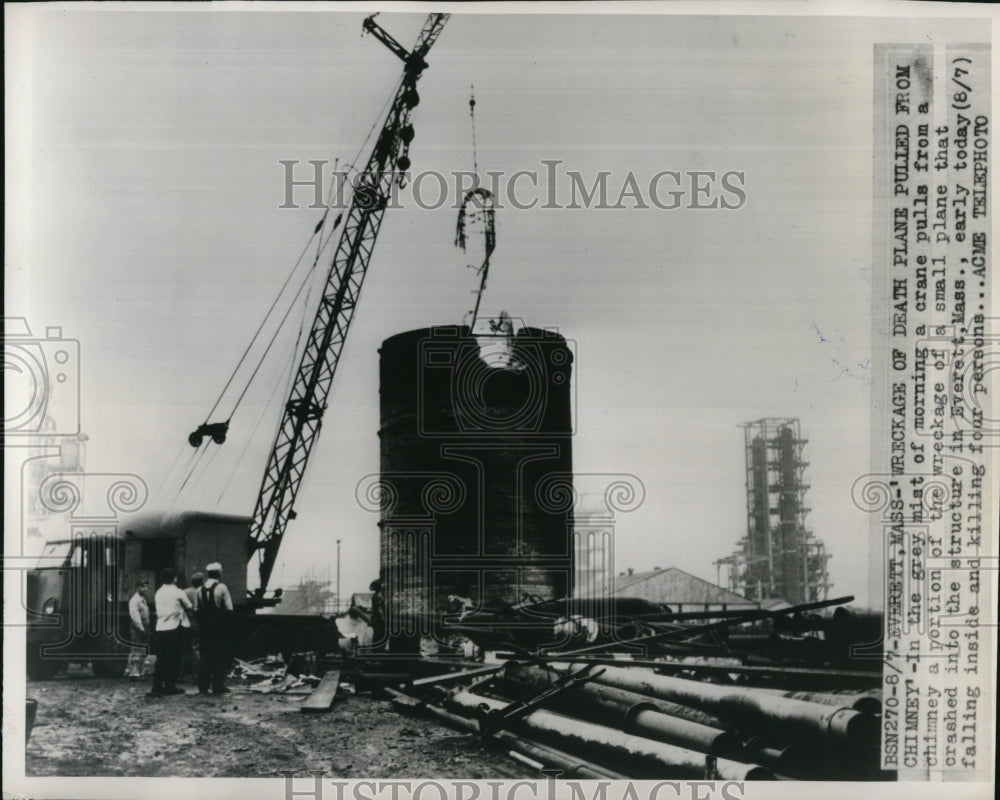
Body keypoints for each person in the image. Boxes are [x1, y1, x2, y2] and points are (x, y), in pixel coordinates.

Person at [150, 567, 192, 697]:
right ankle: (170, 685)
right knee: (174, 657)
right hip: (175, 627)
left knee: (161, 657)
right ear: (175, 579)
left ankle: (156, 685)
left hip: (161, 627)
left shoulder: (158, 592)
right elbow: (189, 606)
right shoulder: (178, 592)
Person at [195, 562, 233, 695]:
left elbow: (197, 610)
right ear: (219, 573)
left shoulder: (200, 589)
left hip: (205, 628)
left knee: (205, 656)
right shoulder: (222, 587)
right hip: (218, 627)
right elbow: (229, 609)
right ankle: (218, 685)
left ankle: (203, 686)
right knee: (218, 656)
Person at [181, 573, 204, 680]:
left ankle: (183, 672)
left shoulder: (185, 592)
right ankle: (197, 674)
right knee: (196, 648)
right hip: (197, 622)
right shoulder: (202, 591)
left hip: (186, 621)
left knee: (185, 647)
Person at [126, 580, 150, 678]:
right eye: (143, 587)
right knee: (136, 649)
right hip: (138, 627)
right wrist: (141, 628)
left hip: (143, 626)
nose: (145, 589)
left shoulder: (142, 599)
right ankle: (134, 673)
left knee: (142, 650)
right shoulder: (135, 600)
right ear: (138, 588)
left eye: (146, 587)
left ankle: (139, 672)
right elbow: (135, 616)